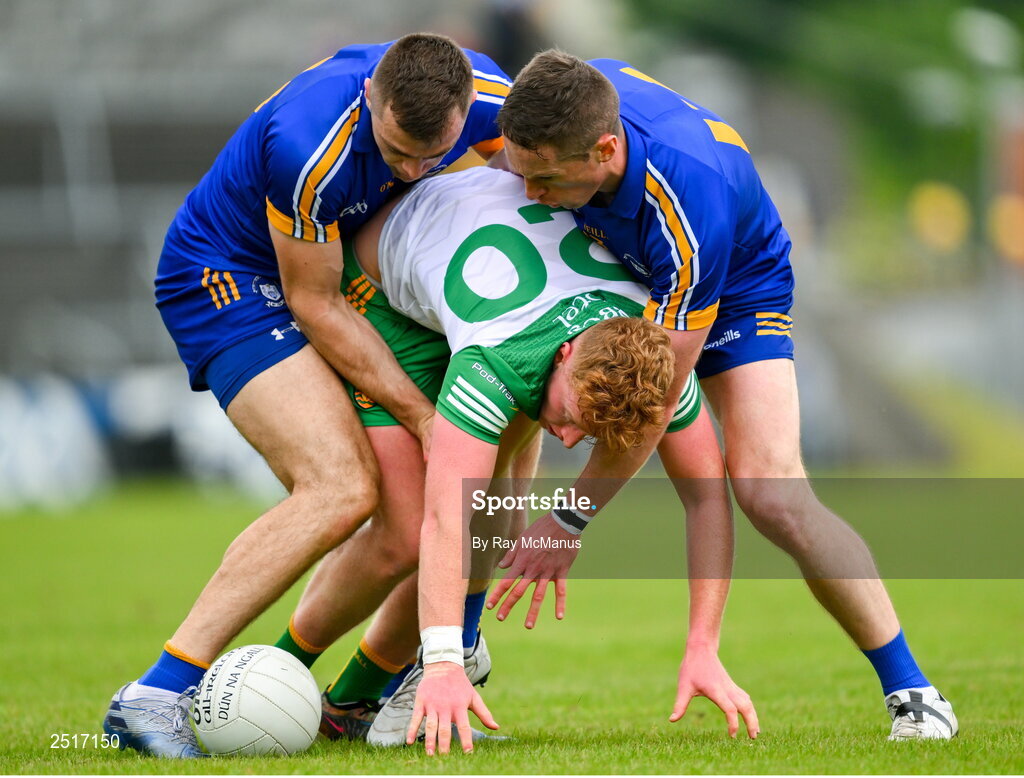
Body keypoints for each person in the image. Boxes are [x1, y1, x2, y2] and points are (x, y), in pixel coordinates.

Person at [485, 50, 958, 742]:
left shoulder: (688, 205)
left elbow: (650, 404)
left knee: (773, 494)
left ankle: (913, 690)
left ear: (606, 151)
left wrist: (569, 519)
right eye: (522, 172)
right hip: (625, 256)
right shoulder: (559, 106)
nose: (530, 193)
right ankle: (447, 657)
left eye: (546, 178)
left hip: (734, 280)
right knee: (505, 401)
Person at [101, 34, 514, 759]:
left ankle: (343, 696)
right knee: (340, 486)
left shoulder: (495, 104)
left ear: (464, 111)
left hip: (343, 279)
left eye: (433, 155)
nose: (416, 171)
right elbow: (316, 304)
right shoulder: (309, 146)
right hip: (229, 282)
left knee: (414, 519)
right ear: (372, 105)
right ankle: (156, 693)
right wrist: (423, 417)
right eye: (397, 155)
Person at [271, 165, 735, 753]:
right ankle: (273, 675)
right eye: (571, 417)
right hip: (385, 290)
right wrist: (439, 663)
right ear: (566, 354)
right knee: (407, 531)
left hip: (491, 261)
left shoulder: (649, 366)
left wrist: (703, 645)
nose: (567, 440)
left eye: (585, 435)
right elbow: (446, 520)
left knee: (499, 506)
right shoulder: (495, 360)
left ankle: (352, 702)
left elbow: (707, 496)